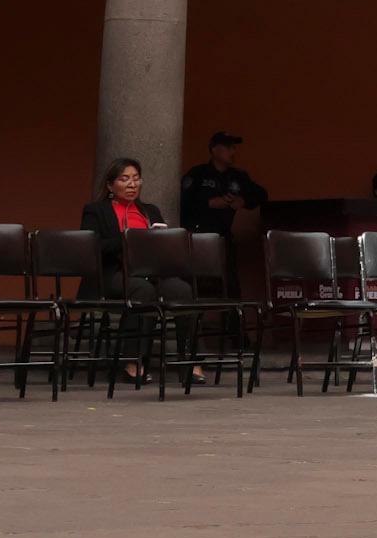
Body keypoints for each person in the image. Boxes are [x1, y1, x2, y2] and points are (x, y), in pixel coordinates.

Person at [81, 158, 188, 385]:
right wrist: (130, 239)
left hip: (152, 272)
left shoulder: (150, 211)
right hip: (112, 275)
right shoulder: (96, 211)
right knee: (142, 290)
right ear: (110, 186)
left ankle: (188, 361)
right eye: (125, 179)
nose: (132, 184)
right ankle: (133, 361)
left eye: (136, 178)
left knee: (182, 289)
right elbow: (93, 246)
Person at [179, 131, 268, 234]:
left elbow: (262, 194)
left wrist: (243, 200)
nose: (233, 152)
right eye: (228, 147)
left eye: (234, 148)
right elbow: (183, 201)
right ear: (214, 149)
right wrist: (209, 203)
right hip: (199, 237)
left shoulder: (238, 176)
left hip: (227, 237)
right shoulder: (198, 173)